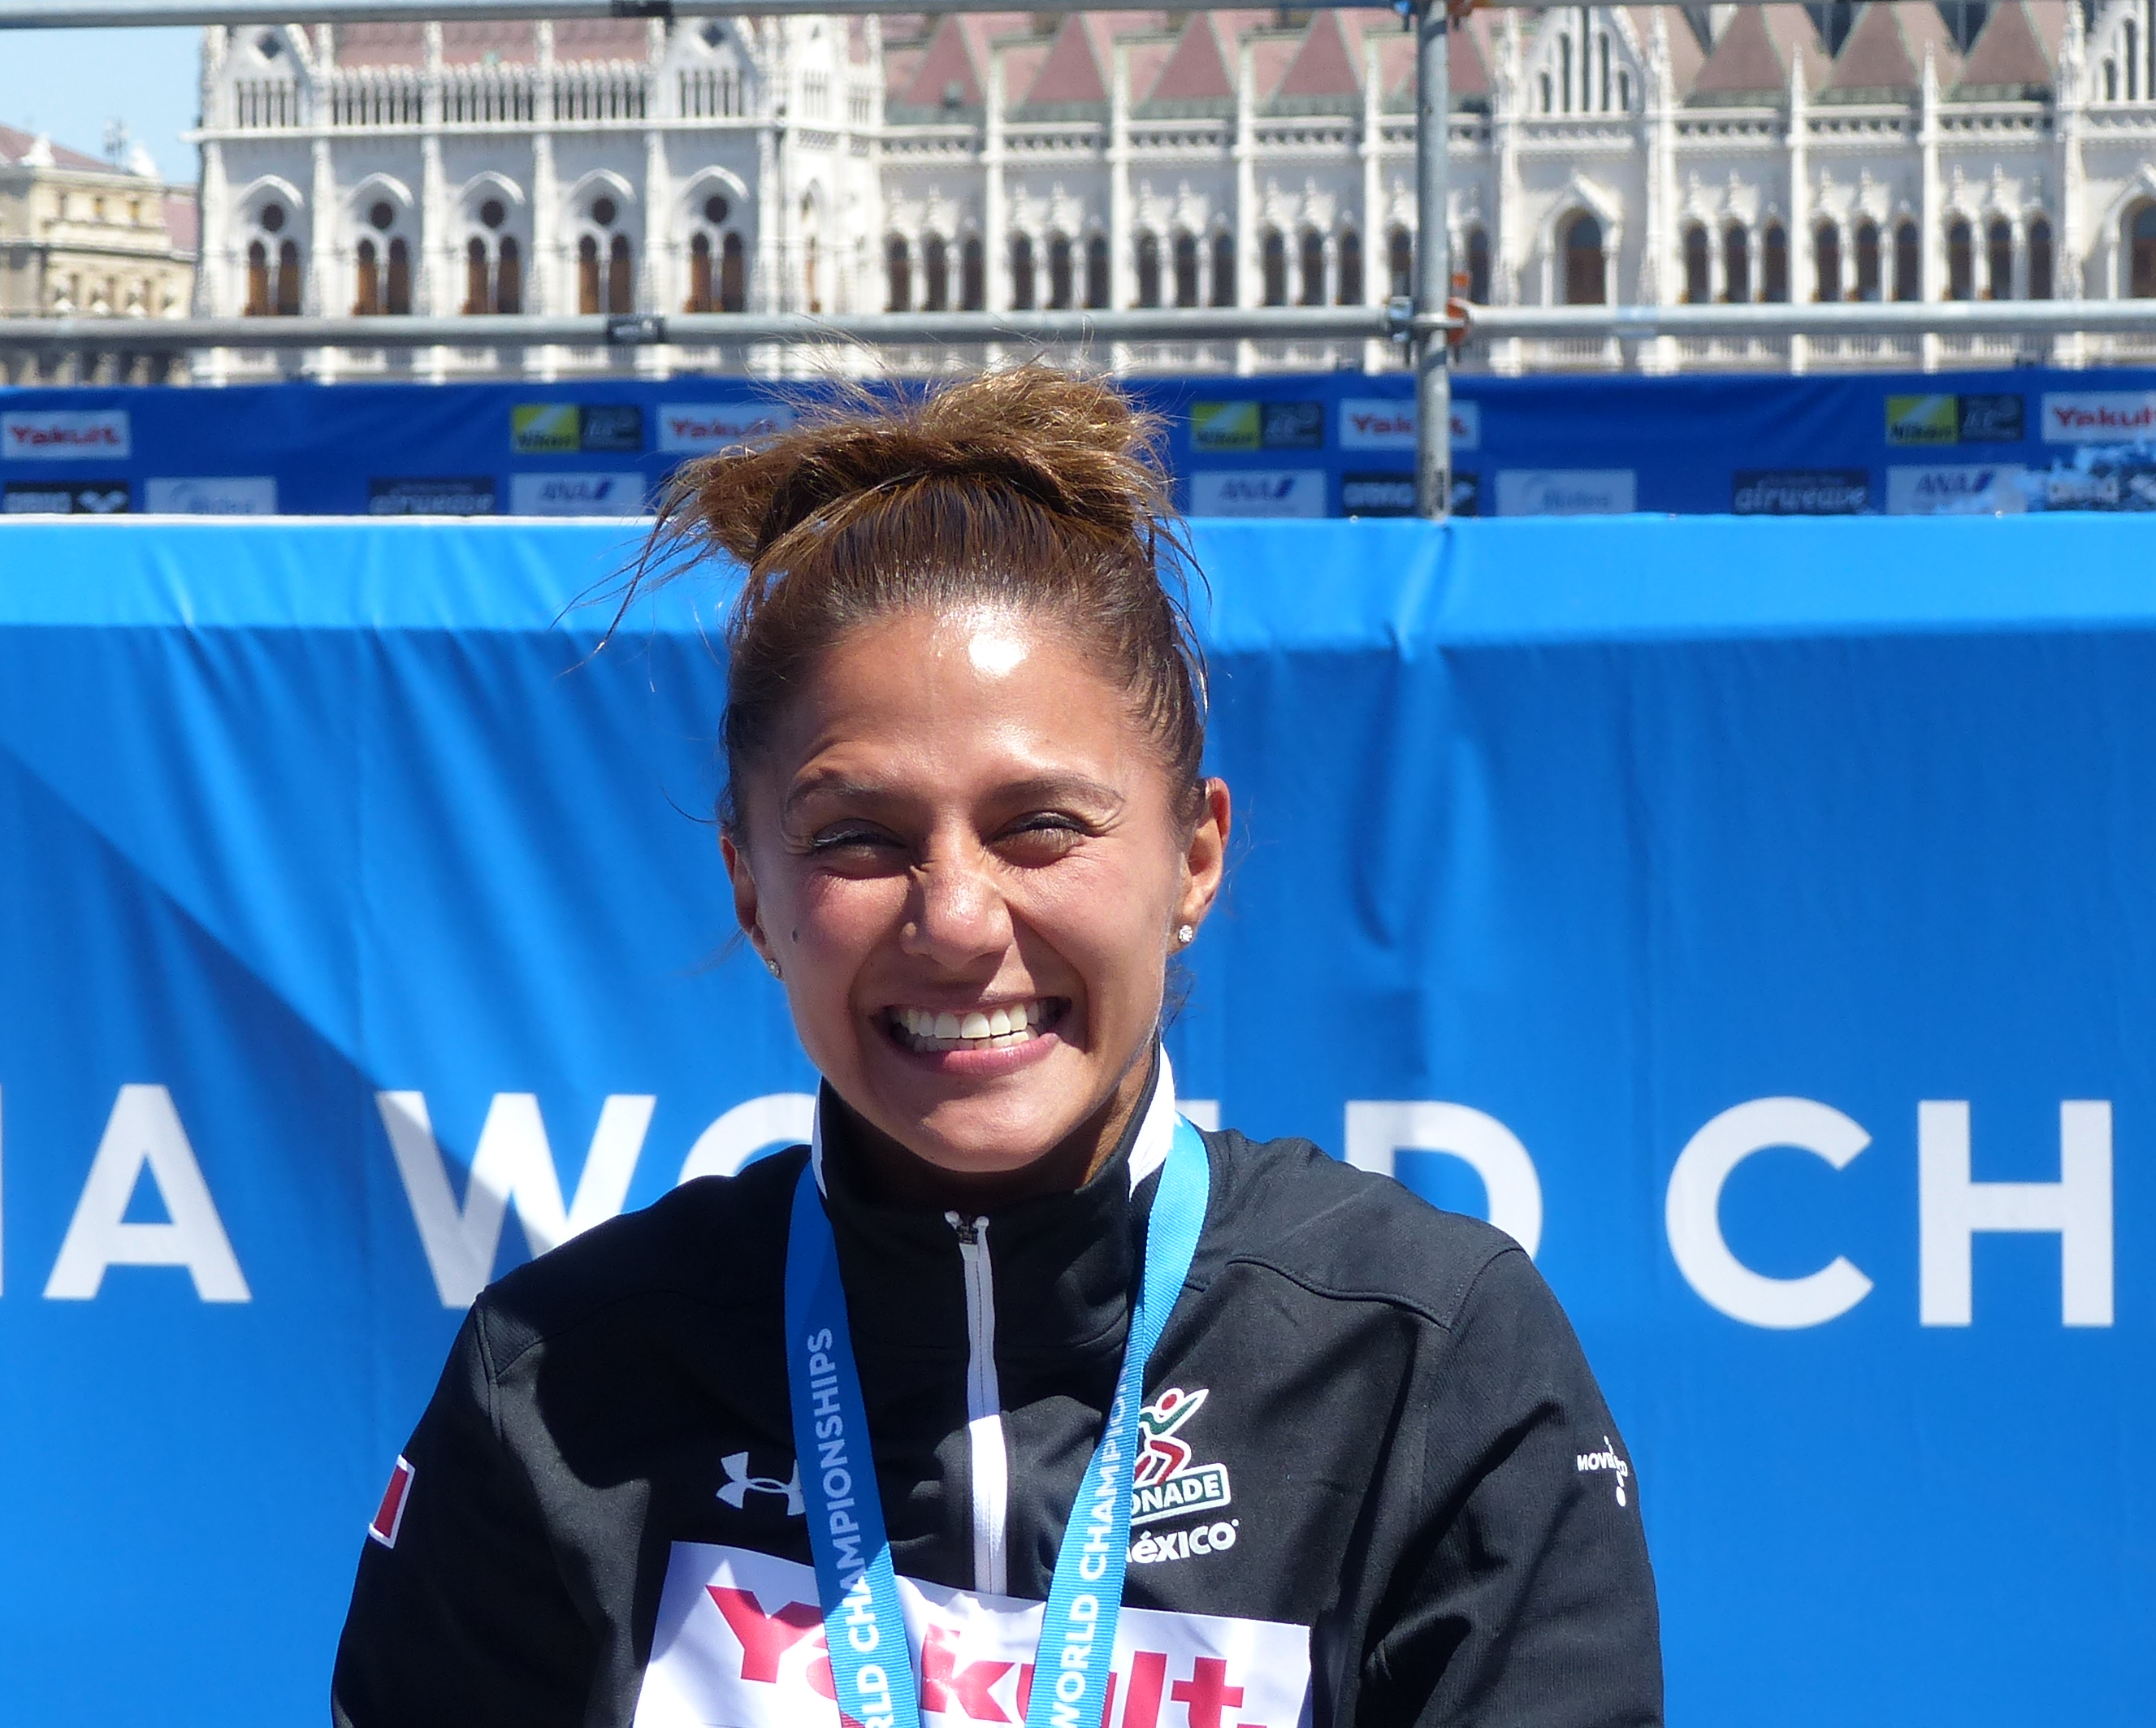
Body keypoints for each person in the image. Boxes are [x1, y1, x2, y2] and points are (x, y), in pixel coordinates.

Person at [332, 366, 1662, 1728]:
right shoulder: (564, 1383)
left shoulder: (1419, 1357)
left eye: (1040, 825)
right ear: (750, 886)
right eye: (858, 837)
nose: (958, 920)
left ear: (1194, 856)